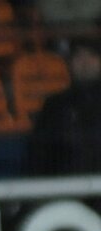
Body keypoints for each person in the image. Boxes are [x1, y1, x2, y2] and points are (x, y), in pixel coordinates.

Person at [25, 33, 101, 177]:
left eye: (92, 56)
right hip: (65, 190)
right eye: (78, 56)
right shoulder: (54, 105)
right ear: (69, 63)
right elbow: (39, 155)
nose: (85, 63)